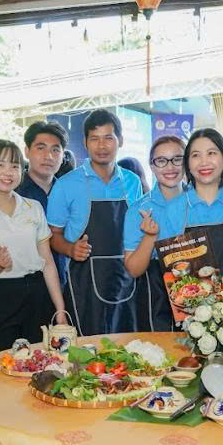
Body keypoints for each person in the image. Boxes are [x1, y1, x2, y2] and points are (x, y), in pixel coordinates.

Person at [0, 139, 67, 354]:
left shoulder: (33, 208)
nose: (8, 172)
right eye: (0, 165)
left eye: (15, 166)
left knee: (42, 362)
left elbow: (47, 262)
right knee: (2, 363)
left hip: (37, 295)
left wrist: (60, 309)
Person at [47, 109, 143, 336]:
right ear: (85, 143)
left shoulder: (133, 182)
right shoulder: (65, 185)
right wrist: (71, 249)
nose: (102, 146)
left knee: (128, 348)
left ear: (120, 141)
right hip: (84, 285)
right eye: (95, 139)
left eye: (108, 138)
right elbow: (52, 236)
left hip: (126, 281)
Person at [158, 128, 223, 304]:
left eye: (211, 153)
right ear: (188, 164)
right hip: (190, 305)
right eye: (196, 155)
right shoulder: (174, 209)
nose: (204, 162)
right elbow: (169, 268)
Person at [122, 135, 187, 332]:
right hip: (155, 298)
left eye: (177, 159)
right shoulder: (138, 210)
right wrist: (150, 237)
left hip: (199, 289)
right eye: (161, 161)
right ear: (151, 166)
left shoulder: (199, 202)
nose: (170, 167)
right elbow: (134, 270)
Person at [16, 120, 68, 290]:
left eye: (55, 150)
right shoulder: (13, 193)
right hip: (22, 288)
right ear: (27, 151)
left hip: (64, 285)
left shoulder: (70, 193)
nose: (49, 156)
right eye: (41, 148)